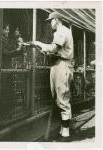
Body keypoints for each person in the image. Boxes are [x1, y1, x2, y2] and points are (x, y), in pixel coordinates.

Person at [30, 12, 74, 142]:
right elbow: (54, 51)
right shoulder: (60, 32)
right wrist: (45, 49)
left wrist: (39, 43)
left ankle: (65, 133)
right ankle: (63, 129)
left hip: (62, 65)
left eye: (51, 21)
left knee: (63, 98)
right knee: (58, 98)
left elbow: (54, 48)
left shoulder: (62, 31)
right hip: (57, 64)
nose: (50, 23)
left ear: (56, 20)